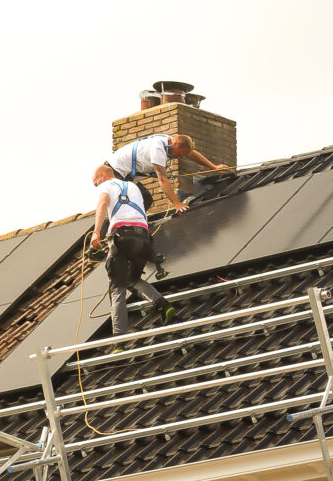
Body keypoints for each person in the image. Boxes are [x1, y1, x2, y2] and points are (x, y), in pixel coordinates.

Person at [90, 165, 176, 337]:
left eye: (96, 182)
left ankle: (119, 339)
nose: (97, 186)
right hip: (143, 238)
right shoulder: (133, 187)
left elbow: (102, 203)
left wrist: (96, 232)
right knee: (132, 278)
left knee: (117, 286)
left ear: (102, 175)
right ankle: (163, 305)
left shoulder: (107, 186)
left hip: (122, 236)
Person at [104, 133, 229, 213]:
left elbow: (191, 153)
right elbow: (162, 179)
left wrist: (214, 167)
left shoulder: (170, 142)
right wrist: (177, 203)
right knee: (121, 201)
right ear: (175, 144)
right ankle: (102, 237)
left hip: (126, 175)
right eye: (179, 154)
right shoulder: (158, 148)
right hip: (113, 170)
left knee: (145, 199)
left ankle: (130, 223)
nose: (179, 158)